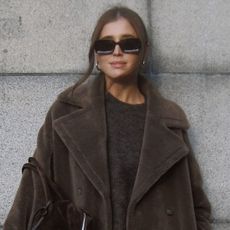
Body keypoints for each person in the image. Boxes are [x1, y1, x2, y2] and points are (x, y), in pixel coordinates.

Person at [4, 6, 211, 230]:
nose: (117, 51)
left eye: (129, 43)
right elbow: (34, 187)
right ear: (96, 55)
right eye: (106, 45)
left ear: (144, 51)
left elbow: (196, 204)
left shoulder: (170, 120)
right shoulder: (65, 112)